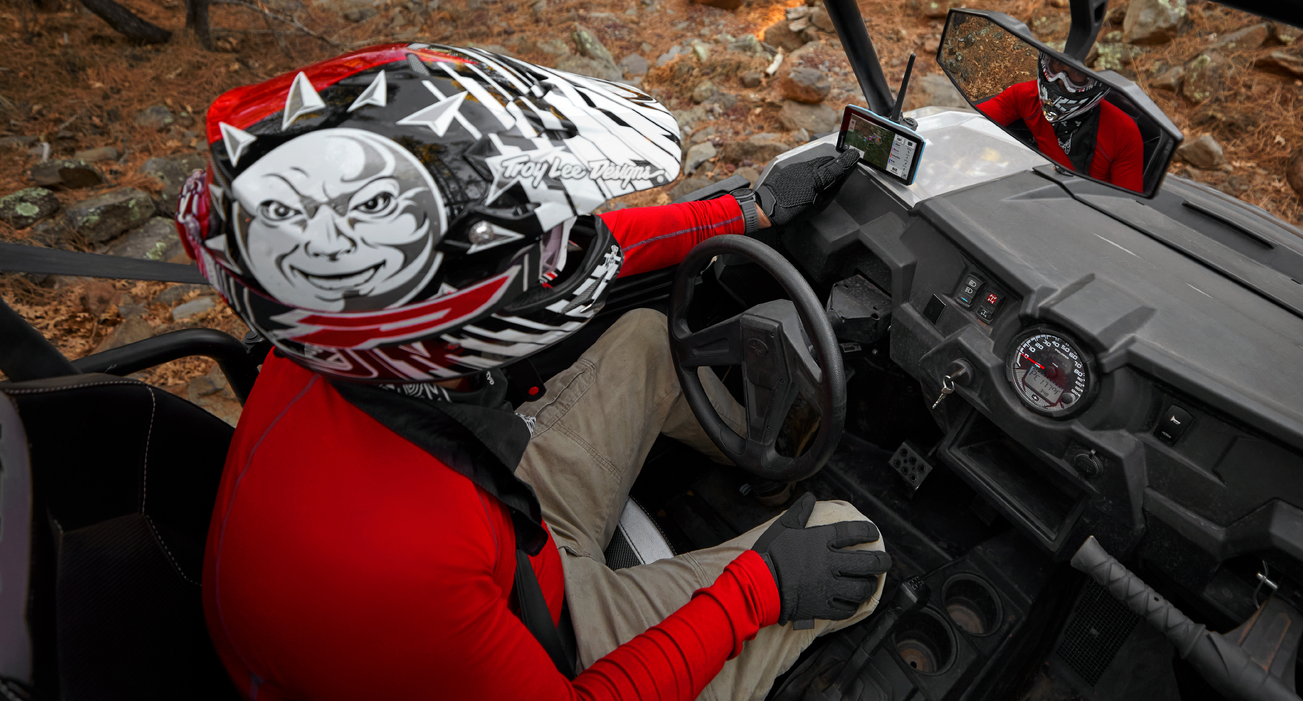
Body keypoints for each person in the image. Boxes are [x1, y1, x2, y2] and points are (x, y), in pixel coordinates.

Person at [181, 42, 889, 701]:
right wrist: (761, 587)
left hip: (514, 549)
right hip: (552, 649)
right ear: (446, 313)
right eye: (537, 250)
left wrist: (746, 211)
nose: (564, 252)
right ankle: (785, 489)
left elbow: (582, 250)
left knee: (647, 340)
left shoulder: (336, 330)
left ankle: (773, 469)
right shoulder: (404, 561)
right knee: (853, 537)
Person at [975, 51, 1144, 191]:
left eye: (1077, 73)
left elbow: (1127, 206)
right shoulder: (1025, 96)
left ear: (1095, 83)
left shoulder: (1124, 132)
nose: (1061, 80)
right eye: (1058, 64)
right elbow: (973, 121)